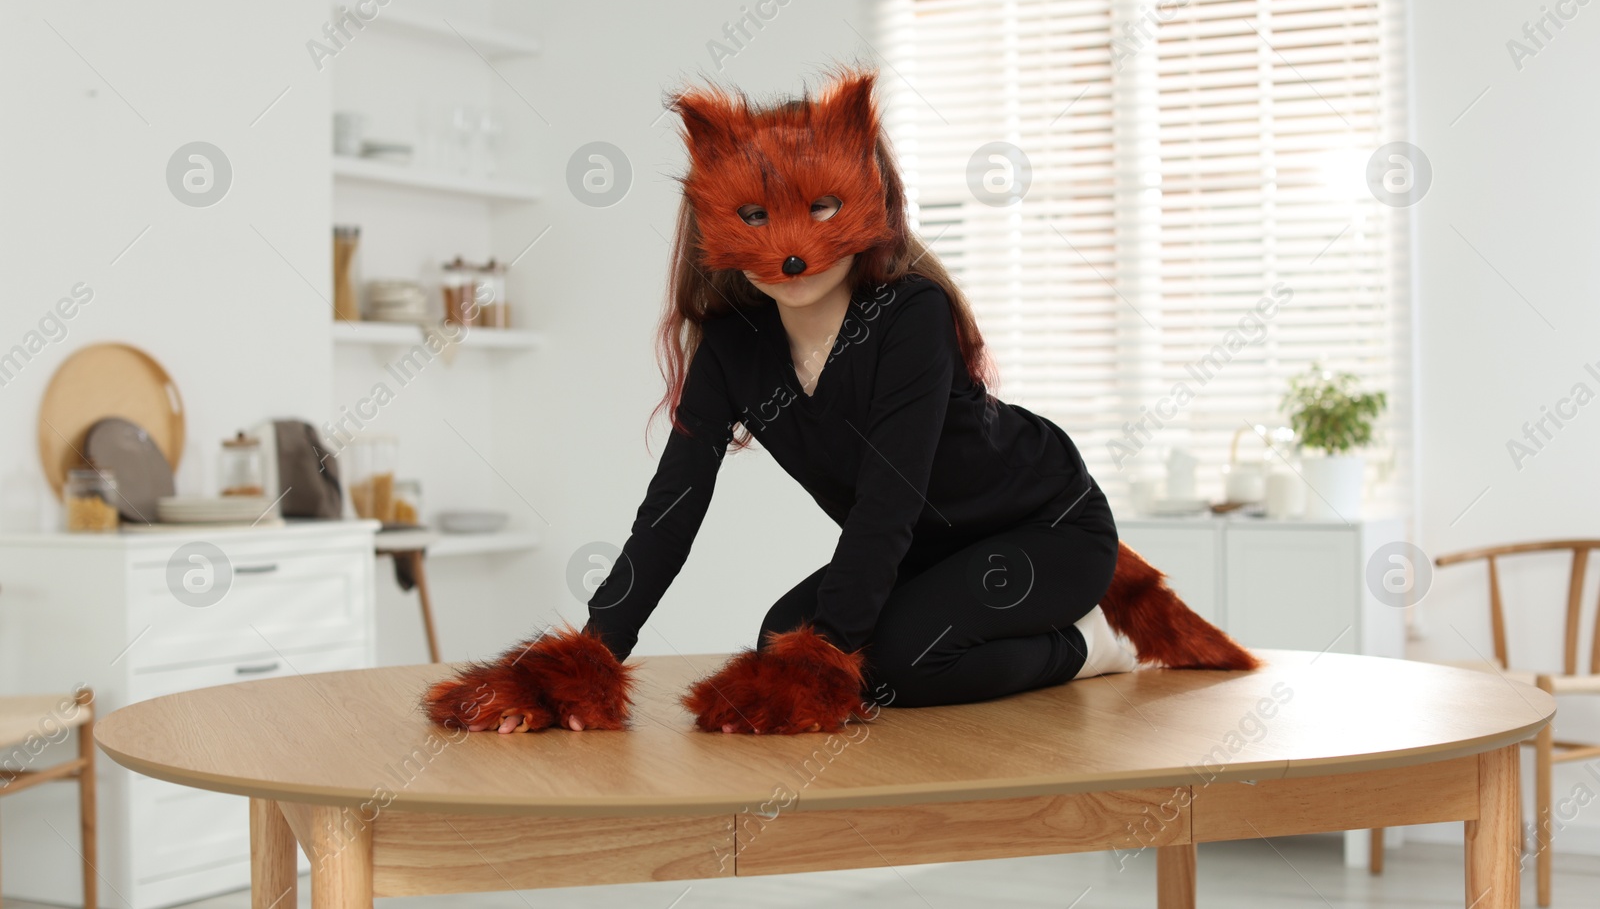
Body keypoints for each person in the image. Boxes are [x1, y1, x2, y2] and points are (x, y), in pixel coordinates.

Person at [423, 69, 1256, 737]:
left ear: (867, 198)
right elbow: (674, 504)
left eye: (819, 209)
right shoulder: (737, 347)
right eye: (756, 216)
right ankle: (977, 636)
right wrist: (592, 654)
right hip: (925, 552)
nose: (790, 253)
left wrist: (830, 656)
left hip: (1043, 528)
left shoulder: (910, 315)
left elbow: (890, 496)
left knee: (892, 662)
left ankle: (1092, 645)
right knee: (777, 633)